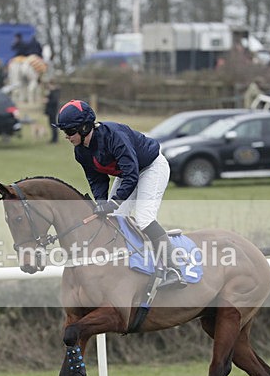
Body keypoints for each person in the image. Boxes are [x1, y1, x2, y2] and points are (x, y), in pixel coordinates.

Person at [53, 100, 186, 287]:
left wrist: (114, 201)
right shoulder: (80, 152)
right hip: (127, 173)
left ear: (84, 128)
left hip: (151, 167)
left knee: (144, 218)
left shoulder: (114, 136)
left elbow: (132, 174)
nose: (66, 137)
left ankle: (174, 269)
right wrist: (101, 203)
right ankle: (123, 268)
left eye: (68, 131)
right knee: (114, 218)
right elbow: (97, 180)